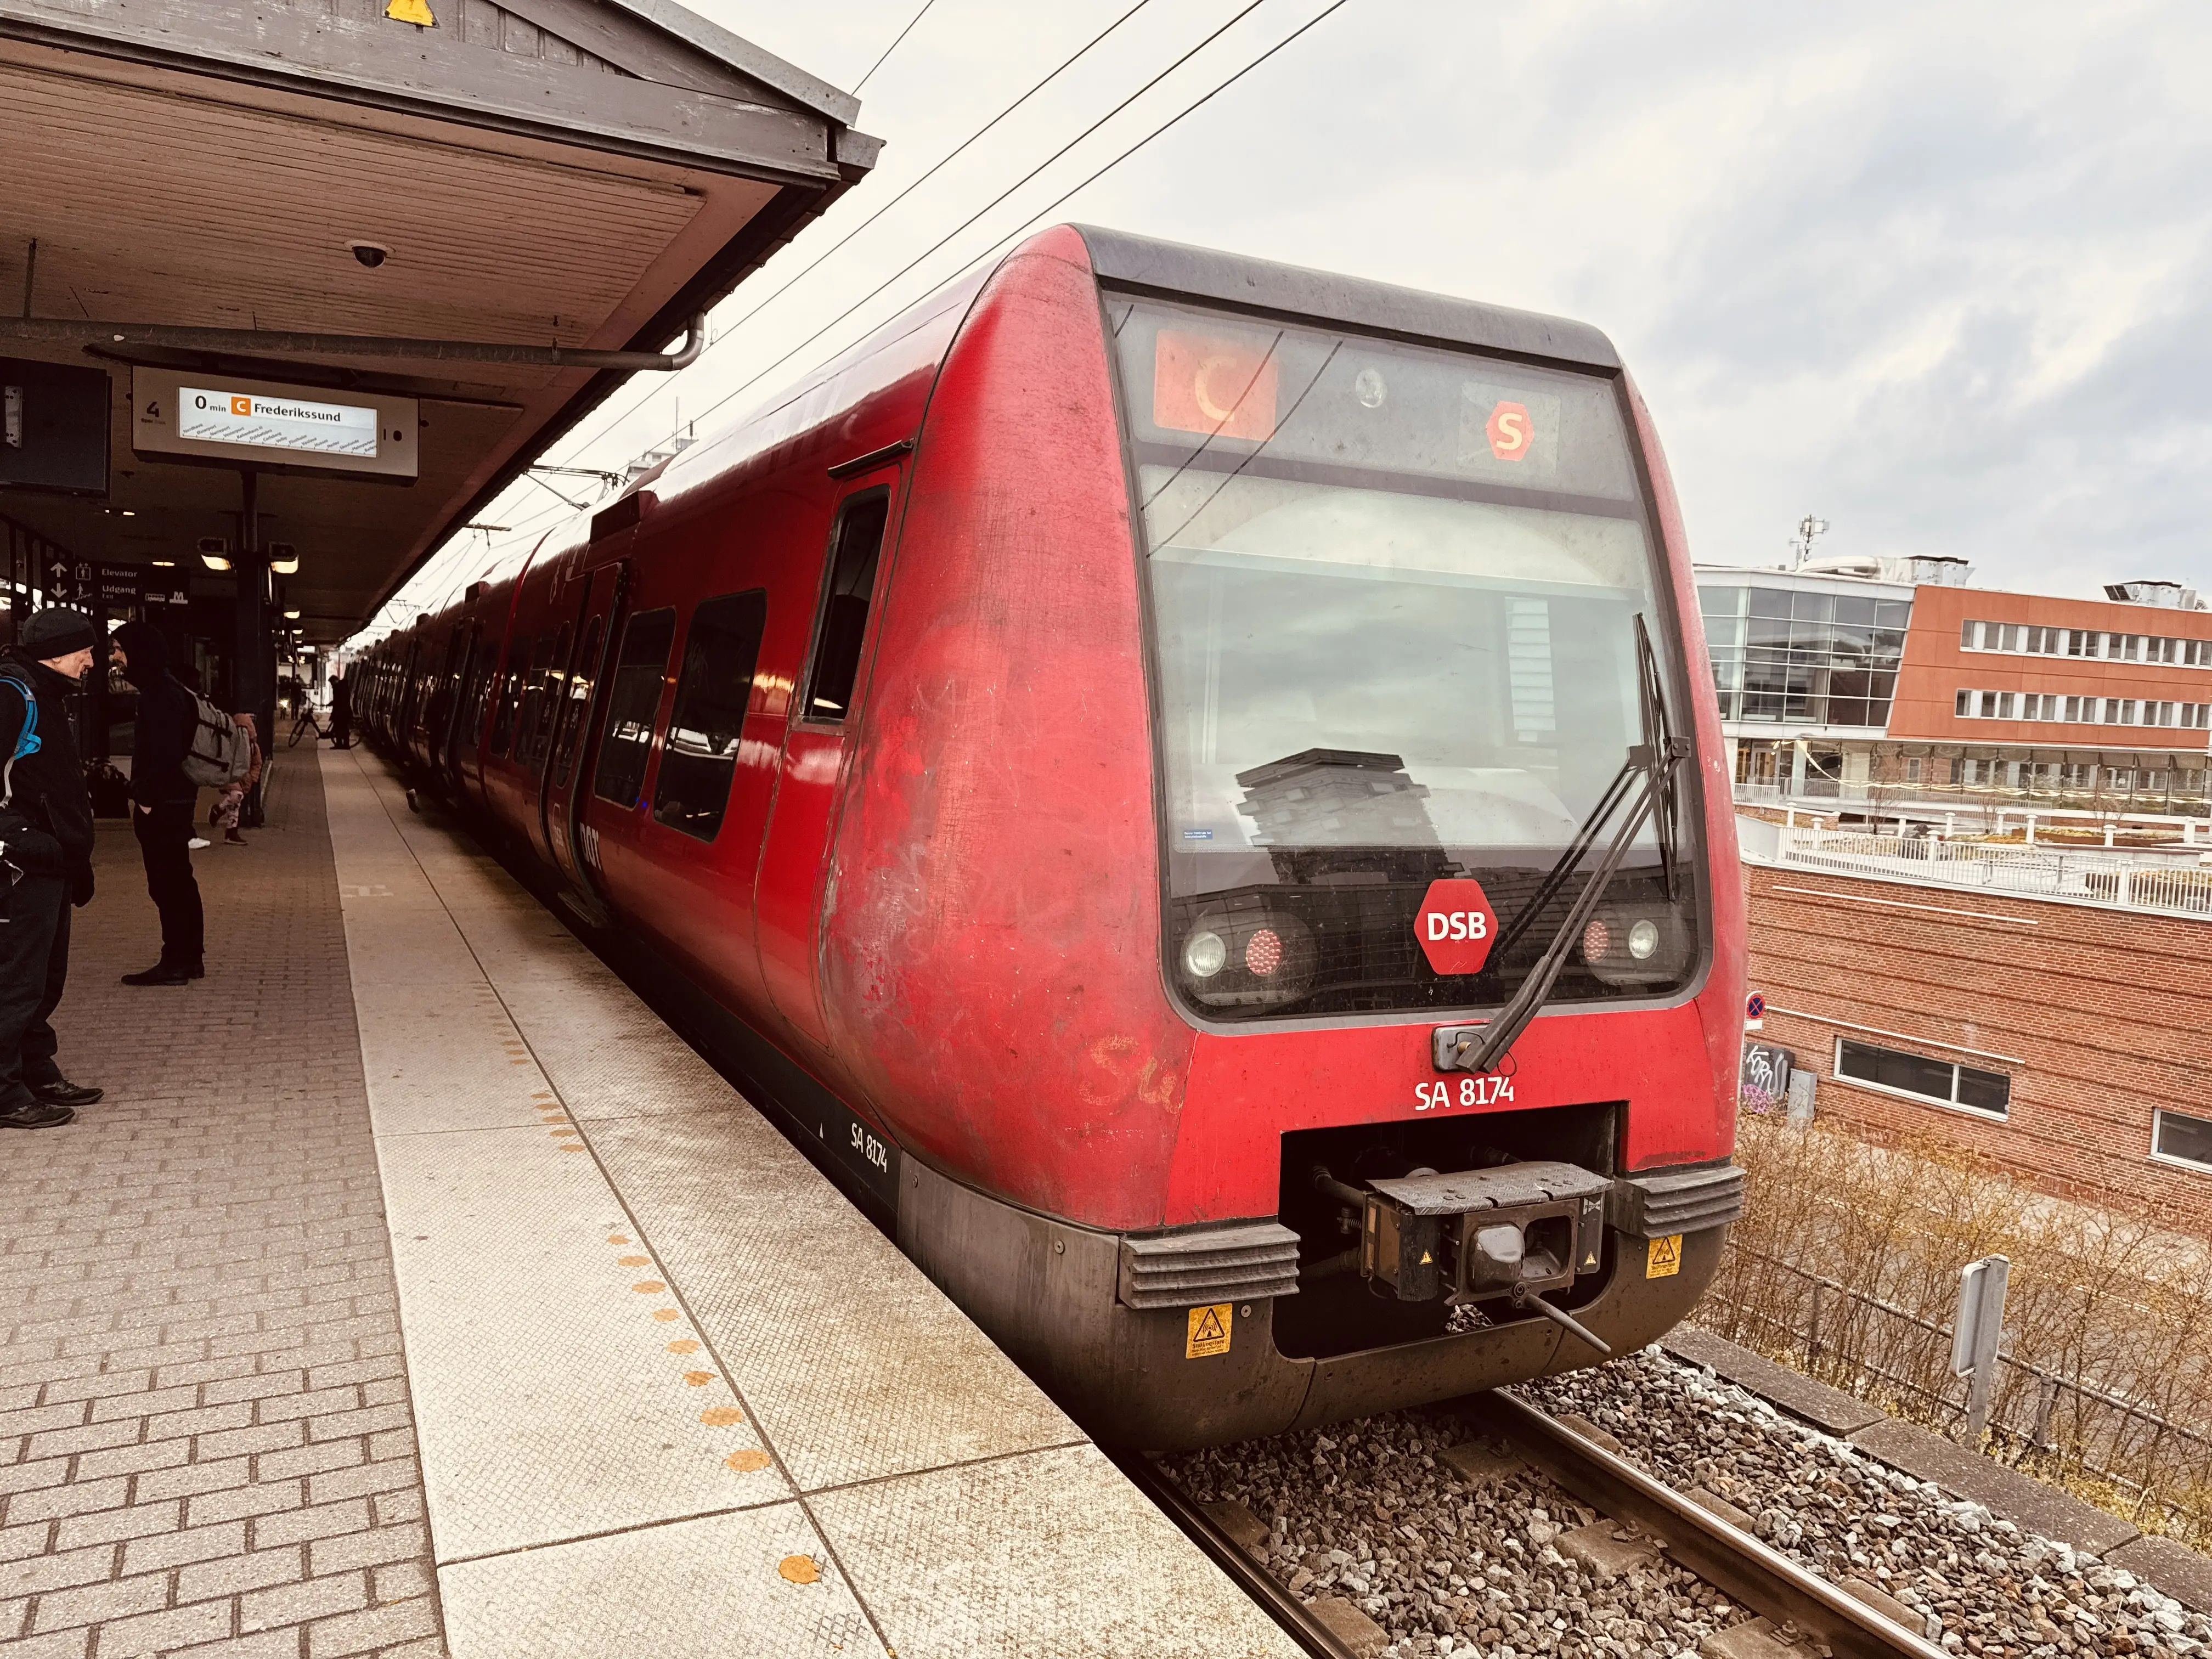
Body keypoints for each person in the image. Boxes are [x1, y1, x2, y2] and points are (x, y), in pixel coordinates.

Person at [0, 608, 103, 1128]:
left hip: (53, 861)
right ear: (56, 653)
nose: (92, 661)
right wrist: (19, 836)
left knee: (45, 976)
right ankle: (4, 1093)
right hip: (22, 866)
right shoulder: (11, 694)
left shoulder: (48, 694)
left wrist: (73, 855)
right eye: (84, 651)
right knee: (16, 978)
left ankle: (36, 1069)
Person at [110, 620, 204, 985]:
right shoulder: (168, 689)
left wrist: (145, 798)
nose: (116, 656)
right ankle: (189, 957)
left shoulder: (158, 695)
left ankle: (177, 961)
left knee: (168, 884)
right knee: (178, 881)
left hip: (165, 805)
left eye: (120, 649)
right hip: (174, 801)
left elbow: (167, 753)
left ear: (140, 652)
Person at [210, 712, 261, 845]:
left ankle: (231, 831)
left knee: (235, 805)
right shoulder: (233, 743)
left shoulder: (252, 747)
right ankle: (220, 810)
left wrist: (252, 778)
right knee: (237, 796)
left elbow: (257, 763)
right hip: (230, 777)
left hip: (240, 778)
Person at [328, 669, 352, 749]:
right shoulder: (344, 687)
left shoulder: (338, 688)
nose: (331, 685)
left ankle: (340, 744)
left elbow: (339, 701)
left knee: (338, 729)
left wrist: (332, 703)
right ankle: (345, 744)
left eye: (332, 683)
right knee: (344, 729)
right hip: (345, 712)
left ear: (335, 681)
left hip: (340, 713)